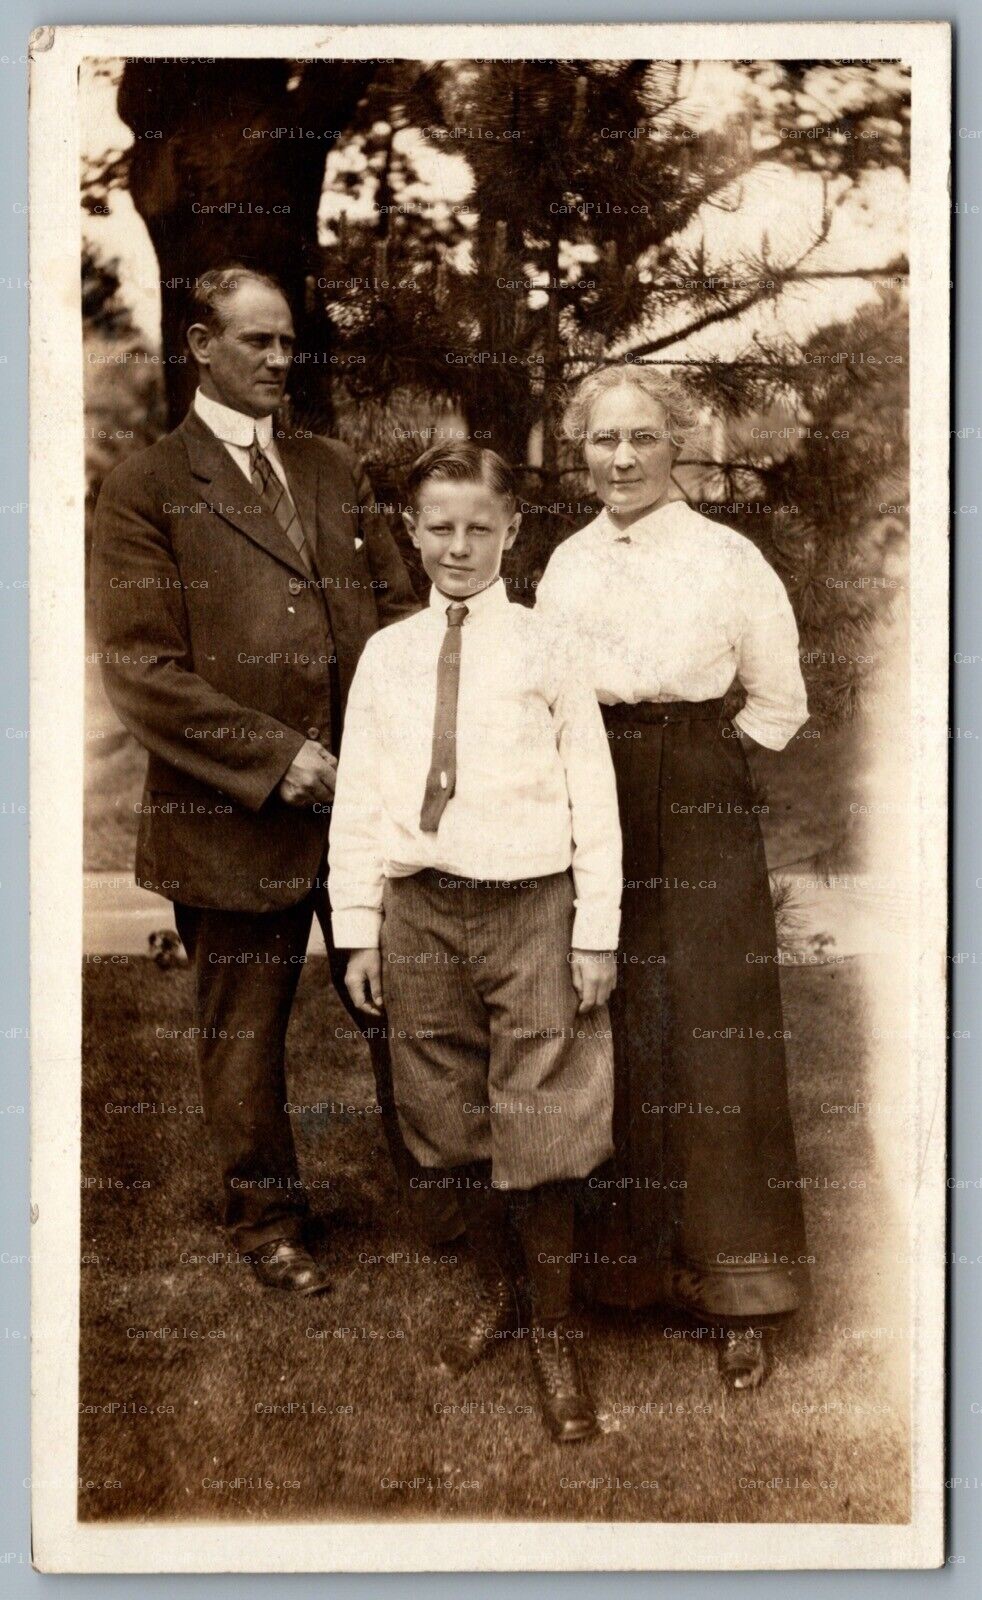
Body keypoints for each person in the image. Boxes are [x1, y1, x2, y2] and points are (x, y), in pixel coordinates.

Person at [90, 263, 457, 1296]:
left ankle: (446, 1200)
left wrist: (391, 751)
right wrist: (275, 757)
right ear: (201, 345)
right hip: (231, 813)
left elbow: (399, 614)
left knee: (403, 1003)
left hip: (362, 805)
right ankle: (268, 1221)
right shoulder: (147, 486)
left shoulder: (331, 468)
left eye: (289, 341)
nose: (280, 359)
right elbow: (140, 669)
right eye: (258, 341)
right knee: (244, 1036)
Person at [328, 442, 622, 1442]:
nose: (458, 547)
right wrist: (359, 930)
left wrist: (595, 931)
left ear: (512, 531)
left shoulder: (549, 647)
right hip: (420, 906)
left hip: (530, 906)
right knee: (447, 1112)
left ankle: (555, 1331)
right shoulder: (387, 655)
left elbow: (594, 797)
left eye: (478, 527)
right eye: (439, 527)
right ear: (410, 533)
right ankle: (502, 1294)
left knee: (544, 1112)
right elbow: (359, 800)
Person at [535, 363, 810, 1390]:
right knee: (611, 1020)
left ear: (676, 446)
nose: (622, 458)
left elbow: (779, 702)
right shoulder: (565, 564)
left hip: (697, 792)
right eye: (602, 440)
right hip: (591, 786)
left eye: (641, 438)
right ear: (582, 452)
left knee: (716, 1024)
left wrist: (704, 765)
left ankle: (739, 1290)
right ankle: (621, 1277)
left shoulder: (728, 557)